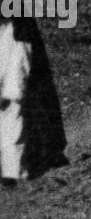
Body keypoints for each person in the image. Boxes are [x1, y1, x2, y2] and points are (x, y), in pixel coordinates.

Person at [0, 10, 68, 185]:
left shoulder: (19, 27)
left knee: (13, 111)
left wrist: (11, 91)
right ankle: (14, 169)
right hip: (11, 37)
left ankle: (16, 171)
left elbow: (19, 63)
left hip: (16, 42)